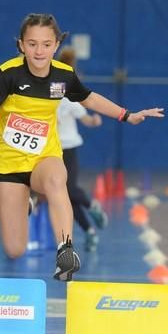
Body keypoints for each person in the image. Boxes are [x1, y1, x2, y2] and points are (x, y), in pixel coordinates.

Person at [0, 13, 164, 281]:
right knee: (14, 249)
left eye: (45, 44)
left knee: (57, 179)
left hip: (44, 156)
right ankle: (24, 201)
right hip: (8, 164)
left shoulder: (63, 76)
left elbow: (90, 99)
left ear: (56, 45)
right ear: (21, 45)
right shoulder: (7, 75)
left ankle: (65, 250)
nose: (39, 50)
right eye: (32, 44)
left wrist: (127, 114)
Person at [56, 47, 108, 251]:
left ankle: (91, 208)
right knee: (63, 195)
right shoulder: (45, 93)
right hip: (50, 150)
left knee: (68, 190)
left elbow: (84, 117)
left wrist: (93, 120)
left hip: (68, 147)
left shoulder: (69, 96)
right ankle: (89, 231)